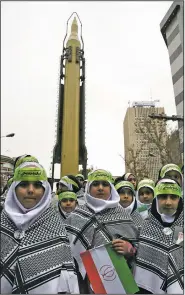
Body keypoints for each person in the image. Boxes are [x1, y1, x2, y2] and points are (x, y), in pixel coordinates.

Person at [1, 162, 79, 294]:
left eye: (37, 185)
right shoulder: (2, 222)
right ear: (14, 189)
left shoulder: (55, 226)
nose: (30, 190)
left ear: (45, 190)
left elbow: (66, 277)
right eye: (23, 184)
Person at [66, 169, 139, 293]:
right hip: (83, 283)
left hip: (117, 281)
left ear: (111, 188)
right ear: (88, 187)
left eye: (105, 184)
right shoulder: (76, 216)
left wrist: (130, 249)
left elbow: (139, 248)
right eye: (96, 184)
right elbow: (65, 251)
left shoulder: (123, 215)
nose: (100, 188)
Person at [134, 178, 183, 294]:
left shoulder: (181, 227)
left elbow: (177, 253)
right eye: (163, 197)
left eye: (173, 197)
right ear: (156, 199)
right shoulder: (144, 226)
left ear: (180, 200)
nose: (168, 202)